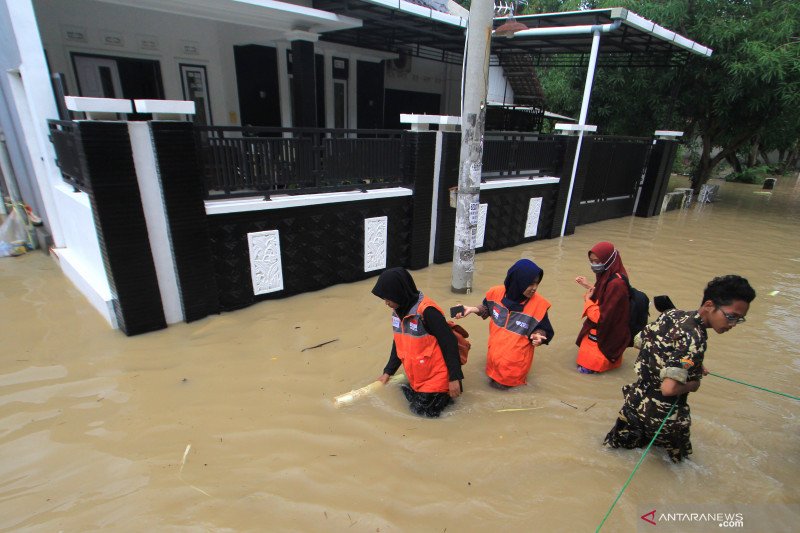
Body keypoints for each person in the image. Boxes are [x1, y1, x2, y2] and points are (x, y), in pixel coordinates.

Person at [603, 275, 756, 462]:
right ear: (709, 305)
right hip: (664, 417)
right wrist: (693, 383)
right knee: (679, 467)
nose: (732, 324)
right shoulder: (696, 340)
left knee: (614, 452)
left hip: (635, 402)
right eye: (731, 316)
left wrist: (691, 364)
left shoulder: (672, 315)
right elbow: (669, 389)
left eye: (739, 320)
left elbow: (640, 341)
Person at [373, 267, 463, 417]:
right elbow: (399, 342)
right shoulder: (398, 312)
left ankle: (447, 397)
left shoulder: (427, 312)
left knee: (420, 413)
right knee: (404, 393)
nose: (386, 303)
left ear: (399, 293)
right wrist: (388, 371)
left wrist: (455, 378)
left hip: (437, 379)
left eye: (388, 298)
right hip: (419, 377)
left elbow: (449, 343)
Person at [456, 259, 553, 389]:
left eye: (537, 283)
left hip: (514, 369)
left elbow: (543, 329)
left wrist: (539, 336)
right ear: (518, 281)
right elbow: (487, 308)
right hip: (493, 361)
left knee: (500, 391)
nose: (534, 288)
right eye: (530, 284)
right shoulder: (496, 293)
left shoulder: (539, 305)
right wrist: (473, 309)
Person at [574, 241, 631, 374]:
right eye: (592, 261)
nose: (594, 265)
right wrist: (589, 286)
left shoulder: (616, 284)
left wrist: (588, 302)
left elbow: (602, 317)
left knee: (585, 373)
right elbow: (607, 297)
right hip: (608, 336)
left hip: (602, 340)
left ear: (609, 260)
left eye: (597, 261)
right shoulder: (611, 275)